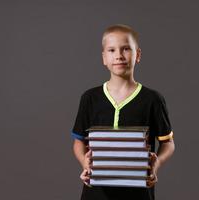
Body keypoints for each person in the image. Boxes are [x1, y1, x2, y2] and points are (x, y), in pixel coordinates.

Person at [71, 24, 175, 200]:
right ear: (104, 58)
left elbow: (168, 143)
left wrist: (155, 164)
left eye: (126, 49)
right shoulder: (90, 98)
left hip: (139, 191)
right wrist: (85, 164)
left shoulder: (152, 99)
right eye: (111, 50)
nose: (119, 56)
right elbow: (78, 142)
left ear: (138, 55)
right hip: (96, 192)